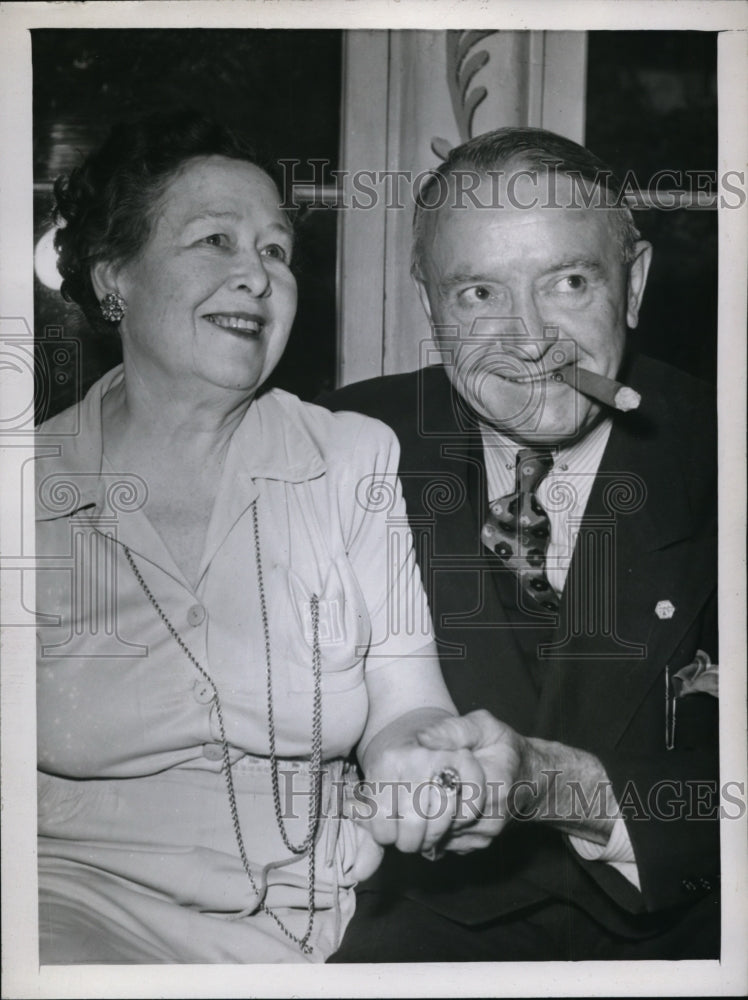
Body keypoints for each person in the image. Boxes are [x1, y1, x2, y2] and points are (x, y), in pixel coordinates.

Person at [33, 109, 486, 964]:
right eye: (215, 241)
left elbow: (407, 698)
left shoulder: (352, 458)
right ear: (112, 279)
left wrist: (426, 769)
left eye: (275, 251)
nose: (256, 276)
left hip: (319, 919)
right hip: (73, 912)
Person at [320, 127, 719, 961]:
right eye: (478, 296)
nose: (529, 340)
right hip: (408, 950)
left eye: (569, 282)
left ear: (634, 283)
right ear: (429, 303)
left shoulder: (727, 453)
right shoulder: (341, 444)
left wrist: (557, 785)